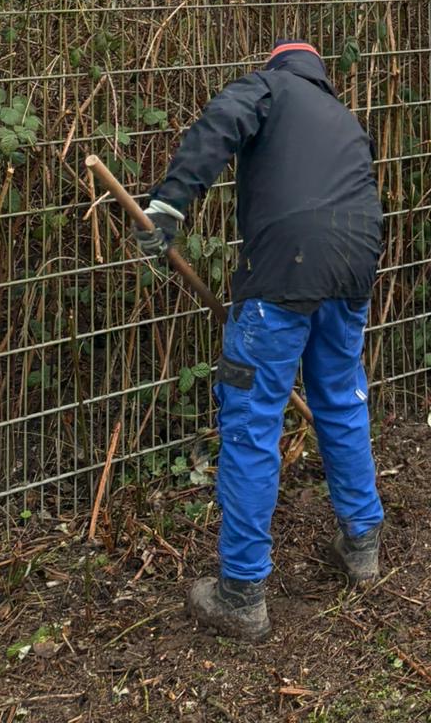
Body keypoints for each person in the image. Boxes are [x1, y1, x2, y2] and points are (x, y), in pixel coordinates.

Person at [135, 40, 385, 642]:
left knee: (252, 420)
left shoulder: (269, 87)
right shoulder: (345, 120)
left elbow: (221, 121)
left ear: (278, 65)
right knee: (341, 398)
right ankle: (362, 545)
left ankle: (241, 593)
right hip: (356, 264)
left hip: (284, 269)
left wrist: (169, 203)